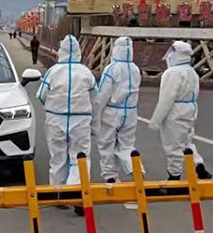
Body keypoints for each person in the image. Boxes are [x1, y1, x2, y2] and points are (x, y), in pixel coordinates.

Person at [37, 35, 100, 210]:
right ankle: (77, 194)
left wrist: (53, 106)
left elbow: (41, 95)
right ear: (79, 51)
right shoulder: (86, 73)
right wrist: (94, 124)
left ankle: (58, 195)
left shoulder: (53, 71)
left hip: (56, 119)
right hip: (80, 120)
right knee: (79, 158)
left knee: (58, 158)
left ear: (61, 51)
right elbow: (96, 99)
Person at [149, 41, 212, 180]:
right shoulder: (191, 71)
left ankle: (174, 176)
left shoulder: (172, 73)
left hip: (176, 111)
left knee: (173, 145)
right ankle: (199, 165)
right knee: (186, 141)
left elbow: (166, 98)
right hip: (190, 109)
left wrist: (155, 121)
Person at [94, 37, 142, 182]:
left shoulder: (112, 69)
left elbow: (102, 95)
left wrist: (95, 115)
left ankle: (110, 176)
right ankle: (136, 169)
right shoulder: (135, 69)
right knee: (126, 145)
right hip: (130, 112)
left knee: (106, 144)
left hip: (112, 112)